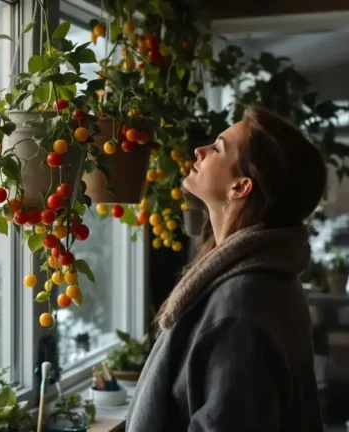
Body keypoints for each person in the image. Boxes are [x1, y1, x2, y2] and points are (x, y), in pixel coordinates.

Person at [126, 106, 326, 432]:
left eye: (217, 148)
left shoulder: (241, 307)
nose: (200, 150)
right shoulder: (264, 279)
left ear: (240, 187)